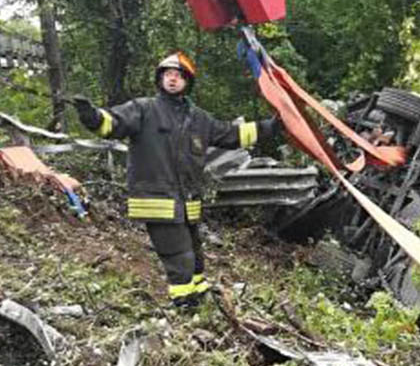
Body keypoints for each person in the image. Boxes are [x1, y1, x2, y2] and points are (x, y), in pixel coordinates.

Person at [71, 51, 282, 308]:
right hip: (157, 203)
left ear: (187, 82)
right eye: (168, 74)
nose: (172, 79)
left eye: (178, 75)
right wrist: (91, 116)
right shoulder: (143, 109)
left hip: (187, 205)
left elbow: (231, 135)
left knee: (194, 256)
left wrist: (270, 127)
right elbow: (112, 124)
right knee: (179, 257)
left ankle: (200, 296)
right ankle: (184, 304)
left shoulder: (199, 119)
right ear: (160, 79)